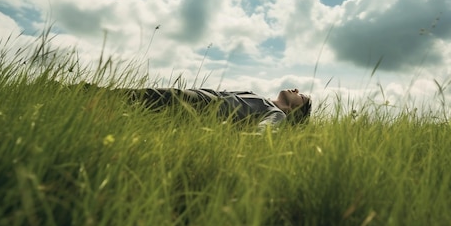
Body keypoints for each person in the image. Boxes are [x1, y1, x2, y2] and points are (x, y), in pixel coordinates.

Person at [127, 87, 312, 131]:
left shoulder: (277, 114)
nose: (296, 90)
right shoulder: (262, 99)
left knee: (142, 97)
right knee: (137, 101)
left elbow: (263, 133)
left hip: (199, 105)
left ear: (296, 109)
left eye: (301, 96)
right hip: (199, 96)